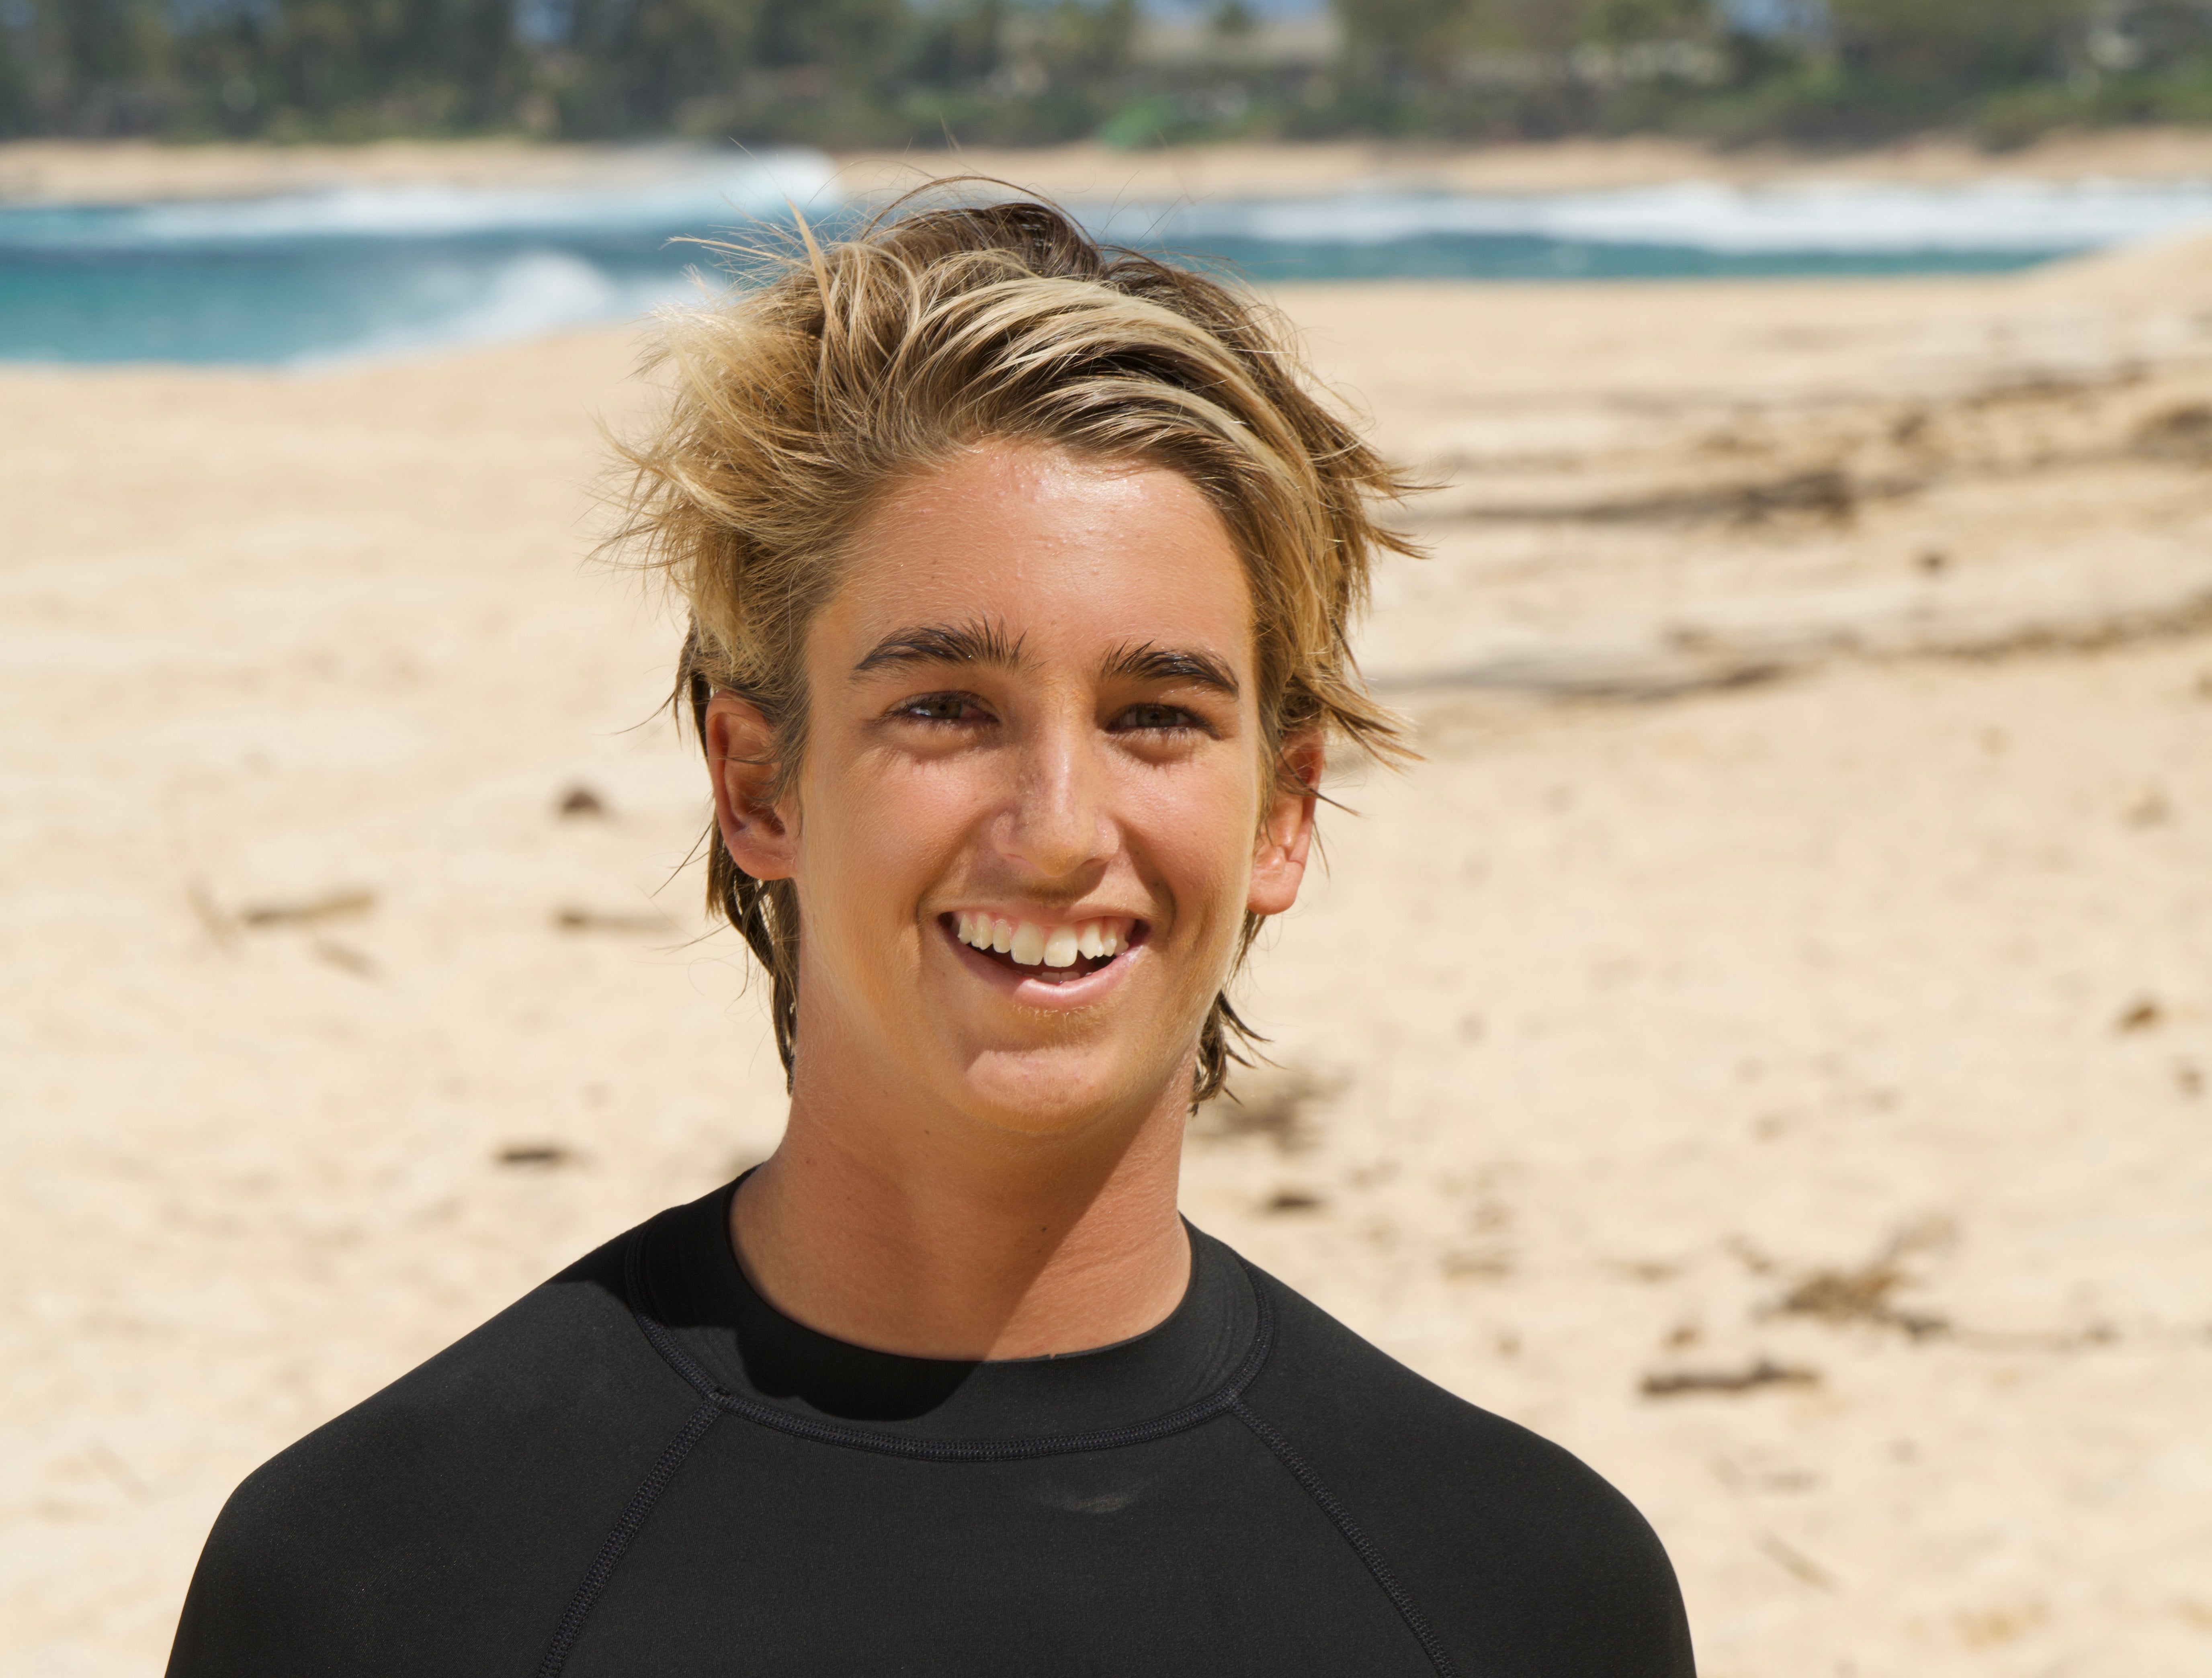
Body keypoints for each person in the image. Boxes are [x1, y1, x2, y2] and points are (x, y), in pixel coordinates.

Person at [167, 197, 1695, 1678]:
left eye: (1157, 716)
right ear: (758, 783)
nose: (1056, 829)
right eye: (945, 709)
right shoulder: (383, 1573)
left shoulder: (1522, 1591)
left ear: (1284, 813)